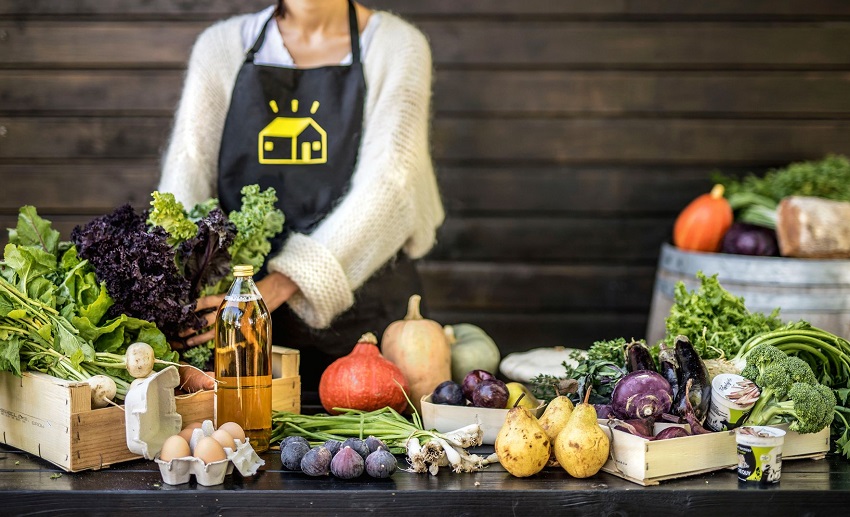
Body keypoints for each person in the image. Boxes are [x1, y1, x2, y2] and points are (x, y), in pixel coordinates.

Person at [158, 0, 444, 392]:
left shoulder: (396, 46)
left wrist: (276, 286)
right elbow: (185, 177)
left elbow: (390, 187)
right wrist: (177, 290)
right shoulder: (222, 46)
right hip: (239, 336)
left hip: (363, 335)